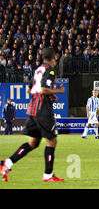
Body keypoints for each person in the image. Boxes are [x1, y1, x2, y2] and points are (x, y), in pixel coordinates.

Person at [1, 47, 65, 182]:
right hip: (43, 110)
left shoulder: (38, 70)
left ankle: (7, 163)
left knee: (33, 142)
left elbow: (30, 89)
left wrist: (50, 94)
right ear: (54, 57)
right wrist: (57, 91)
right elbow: (42, 89)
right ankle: (48, 175)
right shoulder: (50, 70)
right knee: (52, 140)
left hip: (33, 109)